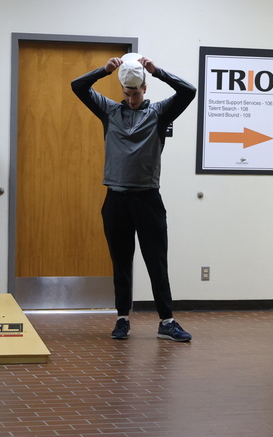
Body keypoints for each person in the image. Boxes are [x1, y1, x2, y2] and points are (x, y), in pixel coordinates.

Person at [71, 54, 196, 341]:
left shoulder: (160, 113)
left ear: (145, 89)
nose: (131, 99)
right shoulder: (110, 111)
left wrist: (157, 71)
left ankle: (167, 321)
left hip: (148, 199)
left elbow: (188, 91)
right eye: (127, 94)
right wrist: (103, 71)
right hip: (116, 199)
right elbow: (78, 87)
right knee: (121, 262)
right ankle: (122, 319)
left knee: (156, 262)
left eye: (136, 93)